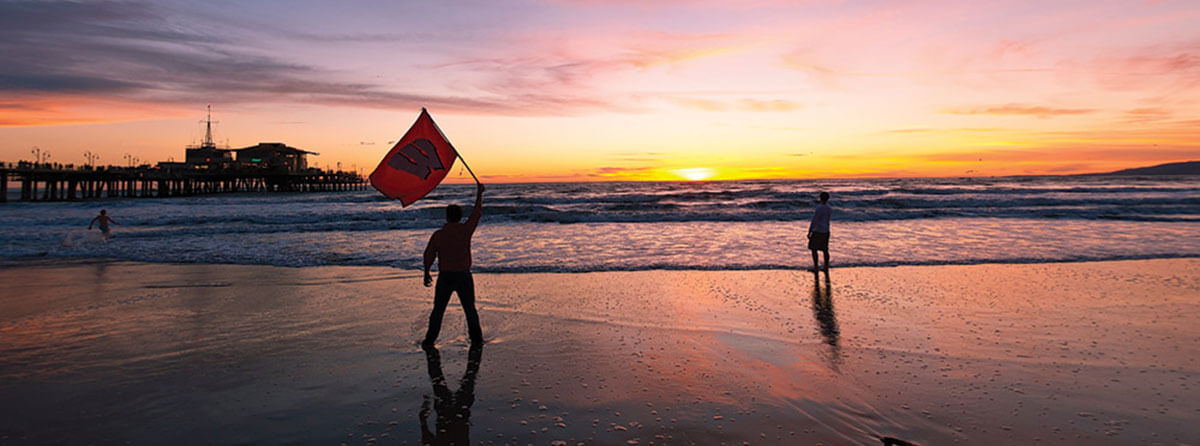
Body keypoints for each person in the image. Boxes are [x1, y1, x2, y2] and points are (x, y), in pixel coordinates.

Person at [422, 183, 485, 347]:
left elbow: (429, 254)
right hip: (463, 275)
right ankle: (477, 339)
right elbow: (476, 214)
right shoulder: (465, 230)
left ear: (447, 217)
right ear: (459, 216)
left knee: (438, 310)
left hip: (445, 277)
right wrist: (479, 194)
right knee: (469, 309)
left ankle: (429, 340)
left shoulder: (439, 235)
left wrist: (426, 272)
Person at [807, 191, 832, 272]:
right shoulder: (829, 208)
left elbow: (815, 220)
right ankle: (826, 266)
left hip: (818, 230)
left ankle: (816, 266)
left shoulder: (819, 208)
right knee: (825, 250)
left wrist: (810, 231)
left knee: (814, 249)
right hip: (826, 230)